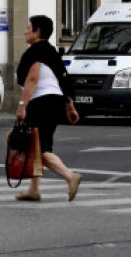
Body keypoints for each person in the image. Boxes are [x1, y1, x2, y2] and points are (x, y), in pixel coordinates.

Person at [14, 15, 82, 202]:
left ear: (37, 32)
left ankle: (70, 176)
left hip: (41, 102)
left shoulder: (35, 51)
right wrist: (70, 106)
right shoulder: (52, 52)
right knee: (37, 147)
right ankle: (34, 189)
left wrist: (22, 105)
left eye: (28, 28)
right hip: (55, 101)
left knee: (40, 149)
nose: (25, 32)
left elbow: (33, 79)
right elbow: (62, 79)